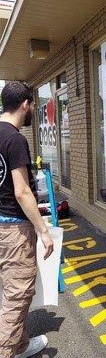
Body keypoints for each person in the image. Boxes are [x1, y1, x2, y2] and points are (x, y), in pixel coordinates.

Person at [0, 82, 54, 358]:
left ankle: (20, 346)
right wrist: (43, 231)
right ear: (25, 104)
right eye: (33, 104)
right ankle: (8, 350)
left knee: (12, 290)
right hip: (13, 228)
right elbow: (22, 191)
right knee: (17, 297)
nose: (34, 109)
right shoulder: (15, 139)